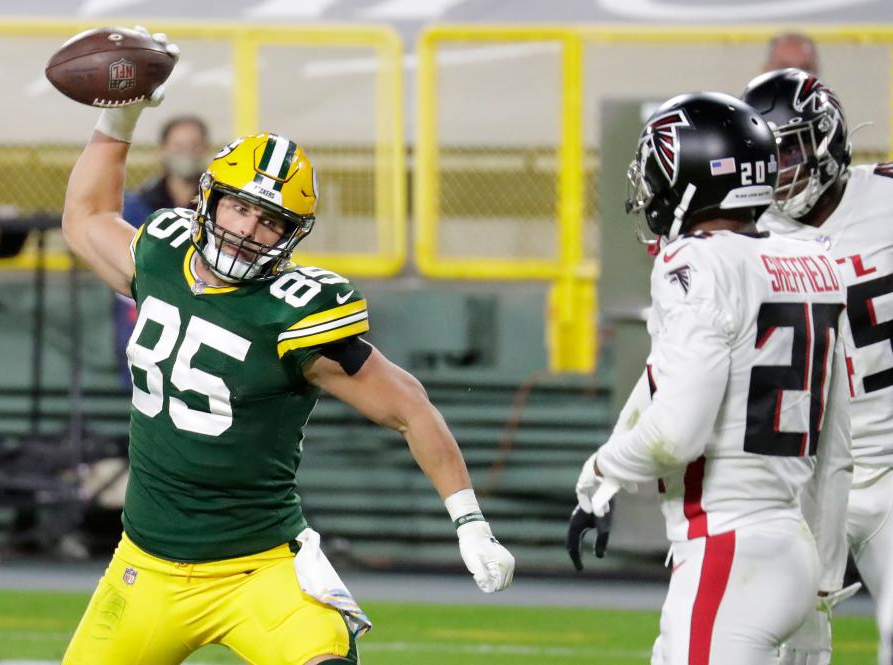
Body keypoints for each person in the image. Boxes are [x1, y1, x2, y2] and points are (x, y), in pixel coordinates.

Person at [59, 28, 514, 665]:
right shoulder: (161, 255)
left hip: (260, 570)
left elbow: (408, 404)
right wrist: (119, 119)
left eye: (271, 221)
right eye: (241, 209)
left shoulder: (296, 312)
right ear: (209, 198)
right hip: (147, 566)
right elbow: (84, 218)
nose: (249, 231)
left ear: (291, 236)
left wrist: (469, 521)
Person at [571, 92, 852, 665]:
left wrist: (604, 468)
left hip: (728, 550)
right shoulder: (814, 259)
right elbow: (836, 452)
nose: (650, 186)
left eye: (658, 169)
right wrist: (821, 584)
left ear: (692, 177)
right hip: (792, 548)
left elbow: (676, 433)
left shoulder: (696, 264)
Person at [744, 67, 893, 664]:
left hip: (891, 465)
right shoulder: (747, 233)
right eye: (769, 155)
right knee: (784, 646)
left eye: (792, 148)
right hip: (800, 478)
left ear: (827, 138)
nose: (782, 169)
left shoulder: (884, 196)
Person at [113, 115, 211, 389]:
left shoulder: (219, 210)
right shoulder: (137, 206)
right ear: (163, 150)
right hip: (147, 331)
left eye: (194, 146)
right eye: (178, 146)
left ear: (205, 149)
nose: (186, 154)